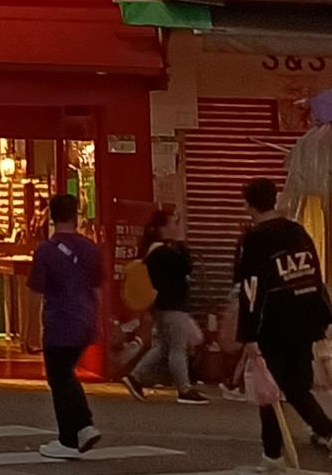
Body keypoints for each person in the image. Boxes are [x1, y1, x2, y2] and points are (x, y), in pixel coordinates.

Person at [234, 176, 332, 475]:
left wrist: (248, 334)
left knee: (269, 390)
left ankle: (272, 459)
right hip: (306, 320)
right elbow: (315, 277)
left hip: (274, 323)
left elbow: (251, 289)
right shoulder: (297, 231)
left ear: (248, 205)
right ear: (274, 199)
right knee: (297, 388)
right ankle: (330, 435)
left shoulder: (255, 239)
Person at [29, 192, 105, 460]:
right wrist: (99, 322)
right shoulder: (91, 249)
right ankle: (80, 429)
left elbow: (35, 292)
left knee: (59, 376)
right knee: (65, 373)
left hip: (59, 321)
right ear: (76, 216)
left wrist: (30, 331)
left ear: (51, 217)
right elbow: (98, 289)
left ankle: (72, 435)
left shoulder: (46, 251)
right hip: (85, 319)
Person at [123, 209, 205, 404]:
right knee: (177, 348)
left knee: (164, 347)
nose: (177, 227)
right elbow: (186, 266)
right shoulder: (162, 252)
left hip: (165, 306)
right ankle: (184, 389)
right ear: (163, 228)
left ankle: (135, 377)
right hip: (172, 306)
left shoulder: (156, 250)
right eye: (173, 223)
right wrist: (182, 243)